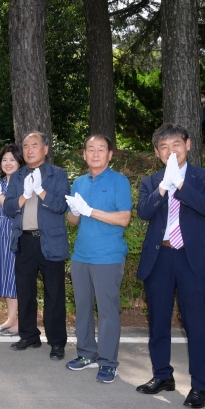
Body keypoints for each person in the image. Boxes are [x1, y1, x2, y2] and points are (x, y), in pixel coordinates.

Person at [135, 123, 205, 409]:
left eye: (176, 144)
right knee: (158, 321)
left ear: (188, 145)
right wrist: (163, 187)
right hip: (160, 257)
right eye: (164, 146)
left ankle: (201, 385)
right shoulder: (151, 181)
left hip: (191, 259)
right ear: (158, 152)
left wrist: (180, 184)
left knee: (195, 323)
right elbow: (144, 212)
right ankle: (162, 376)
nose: (171, 150)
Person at [64, 135, 132, 383]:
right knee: (82, 308)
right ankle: (86, 354)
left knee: (107, 311)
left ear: (110, 154)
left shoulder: (119, 181)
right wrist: (74, 211)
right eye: (90, 149)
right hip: (81, 255)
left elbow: (124, 218)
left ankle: (107, 361)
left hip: (108, 255)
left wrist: (90, 211)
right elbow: (73, 221)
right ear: (84, 154)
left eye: (101, 149)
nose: (95, 153)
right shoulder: (79, 182)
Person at [3, 131, 70, 360]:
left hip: (50, 241)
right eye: (26, 146)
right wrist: (24, 194)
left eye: (34, 145)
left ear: (46, 149)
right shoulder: (19, 175)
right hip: (24, 240)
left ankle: (57, 342)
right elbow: (9, 208)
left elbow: (61, 205)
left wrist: (40, 191)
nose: (30, 150)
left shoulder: (58, 175)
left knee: (54, 293)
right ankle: (29, 334)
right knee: (25, 291)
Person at [0, 144, 25, 336]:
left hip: (15, 232)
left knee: (15, 278)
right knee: (4, 277)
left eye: (12, 160)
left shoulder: (23, 184)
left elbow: (13, 209)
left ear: (19, 162)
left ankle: (20, 322)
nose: (8, 163)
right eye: (4, 160)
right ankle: (10, 319)